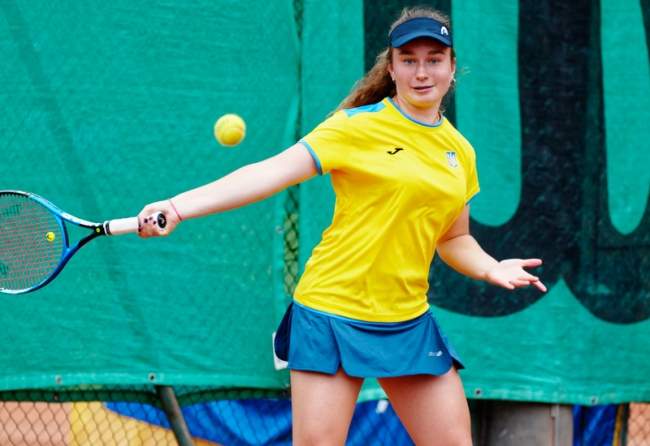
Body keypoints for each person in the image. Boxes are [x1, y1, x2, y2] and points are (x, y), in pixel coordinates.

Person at [138, 6, 546, 446]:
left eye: (434, 59)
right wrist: (178, 207)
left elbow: (454, 237)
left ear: (451, 67)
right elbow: (269, 172)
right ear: (391, 68)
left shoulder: (459, 151)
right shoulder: (355, 128)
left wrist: (490, 267)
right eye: (408, 59)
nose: (421, 72)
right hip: (331, 312)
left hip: (406, 320)